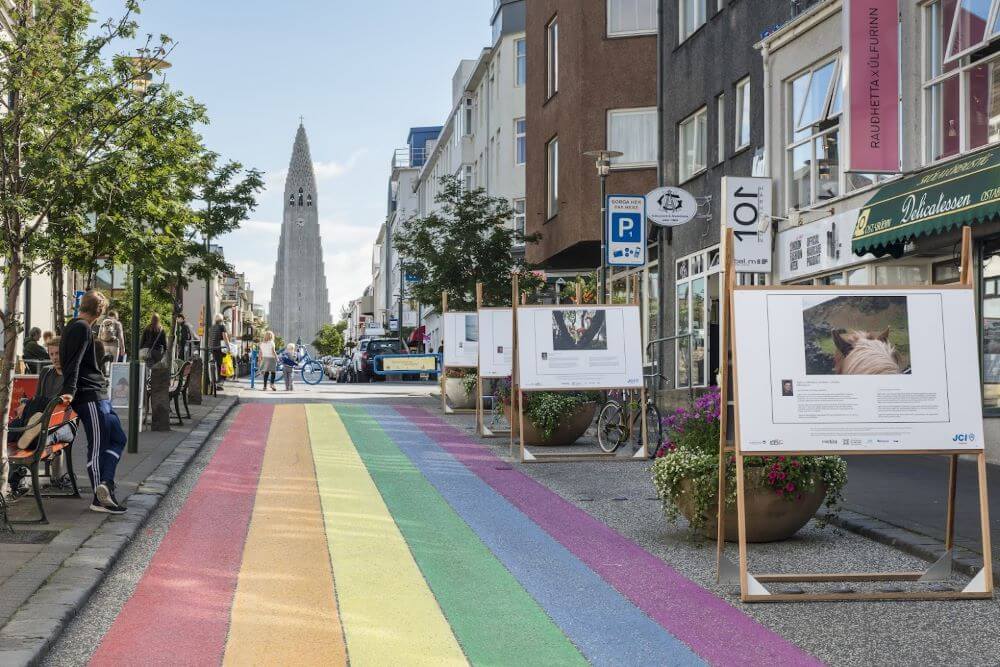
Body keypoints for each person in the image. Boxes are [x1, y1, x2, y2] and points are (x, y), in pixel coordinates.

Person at [60, 289, 128, 515]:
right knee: (98, 445)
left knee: (118, 436)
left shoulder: (77, 327)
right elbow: (74, 362)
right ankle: (100, 500)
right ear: (99, 312)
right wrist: (69, 390)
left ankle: (105, 484)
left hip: (98, 393)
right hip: (88, 395)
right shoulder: (81, 328)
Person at [207, 314, 230, 389]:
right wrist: (228, 347)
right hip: (219, 348)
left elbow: (210, 338)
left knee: (214, 365)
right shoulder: (222, 327)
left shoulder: (211, 327)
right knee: (222, 365)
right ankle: (219, 383)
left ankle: (211, 382)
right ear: (222, 320)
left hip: (211, 348)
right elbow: (225, 338)